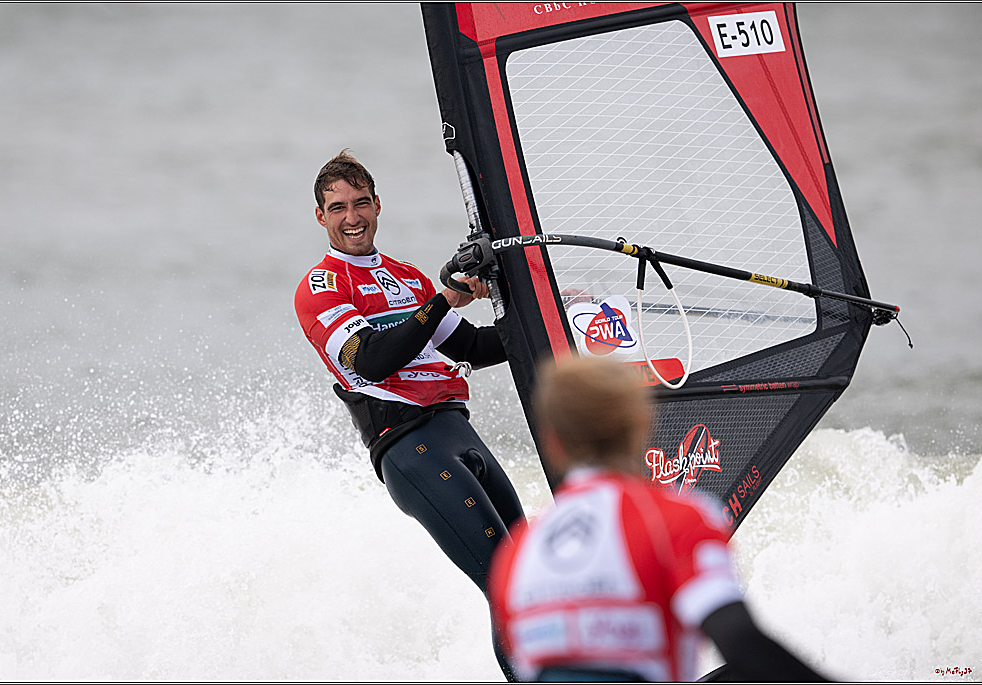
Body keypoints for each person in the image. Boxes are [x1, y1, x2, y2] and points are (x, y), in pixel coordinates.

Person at [294, 150, 526, 677]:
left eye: (360, 203)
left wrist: (546, 318)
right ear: (320, 216)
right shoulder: (321, 287)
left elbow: (473, 346)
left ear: (377, 204)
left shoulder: (405, 277)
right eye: (337, 208)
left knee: (532, 575)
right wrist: (442, 301)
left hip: (459, 433)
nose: (351, 217)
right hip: (411, 449)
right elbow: (372, 360)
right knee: (507, 586)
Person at [488, 355, 830, 682]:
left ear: (552, 442)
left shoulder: (516, 553)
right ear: (642, 423)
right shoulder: (675, 518)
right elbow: (739, 640)